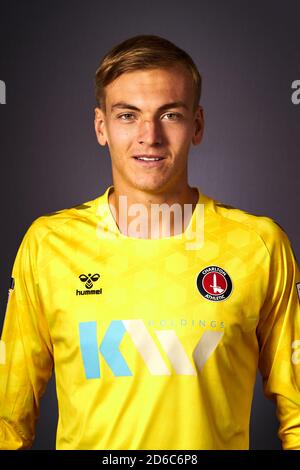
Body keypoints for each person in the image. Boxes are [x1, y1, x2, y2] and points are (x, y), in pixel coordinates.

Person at [0, 34, 299, 451]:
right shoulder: (48, 245)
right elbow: (7, 419)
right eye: (127, 116)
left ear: (196, 126)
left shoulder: (259, 245)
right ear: (101, 127)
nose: (149, 136)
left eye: (170, 115)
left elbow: (298, 416)